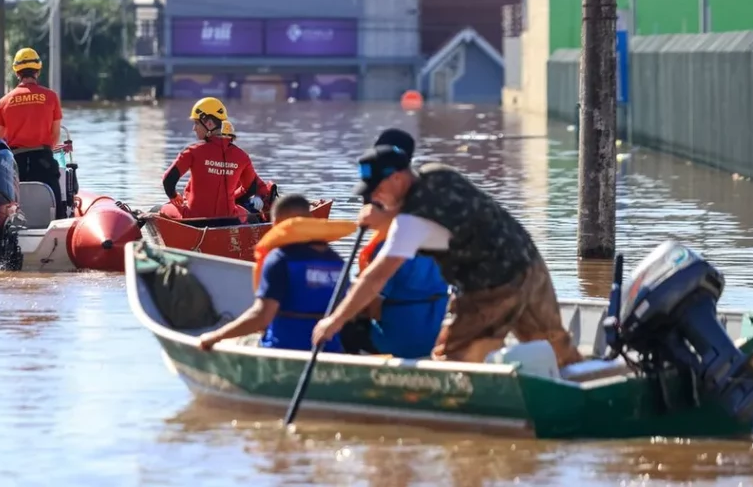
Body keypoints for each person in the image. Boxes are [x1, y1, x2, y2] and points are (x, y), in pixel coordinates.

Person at [311, 128, 584, 369]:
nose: (373, 198)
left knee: (451, 358)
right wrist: (388, 218)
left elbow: (375, 278)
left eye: (376, 189)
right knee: (554, 344)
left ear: (397, 178)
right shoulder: (438, 172)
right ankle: (585, 383)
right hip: (528, 263)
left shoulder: (409, 224)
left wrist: (333, 321)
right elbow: (442, 216)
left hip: (493, 285)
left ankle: (460, 410)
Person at [337, 131, 451, 359]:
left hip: (402, 340)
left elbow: (374, 306)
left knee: (342, 327)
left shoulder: (389, 247)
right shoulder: (436, 232)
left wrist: (338, 316)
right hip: (439, 333)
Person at [199, 193, 347, 353]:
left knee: (231, 342)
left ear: (276, 224)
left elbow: (261, 318)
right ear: (311, 219)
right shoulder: (337, 261)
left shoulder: (280, 259)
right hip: (329, 350)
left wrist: (215, 336)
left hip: (282, 348)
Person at [0, 47, 66, 220]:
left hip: (14, 162)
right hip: (43, 159)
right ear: (38, 70)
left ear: (17, 72)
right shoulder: (51, 97)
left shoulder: (4, 101)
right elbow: (55, 135)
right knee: (56, 200)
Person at [162, 97, 257, 225]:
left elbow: (168, 180)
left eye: (196, 123)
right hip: (230, 221)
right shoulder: (242, 156)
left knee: (162, 209)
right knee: (248, 214)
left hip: (194, 220)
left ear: (209, 124)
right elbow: (251, 188)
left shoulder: (192, 151)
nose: (194, 128)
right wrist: (230, 199)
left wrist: (174, 197)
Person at [221, 120, 277, 220]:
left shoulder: (239, 160)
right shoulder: (204, 161)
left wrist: (258, 196)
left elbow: (259, 185)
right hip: (215, 211)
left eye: (228, 140)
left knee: (253, 215)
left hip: (236, 208)